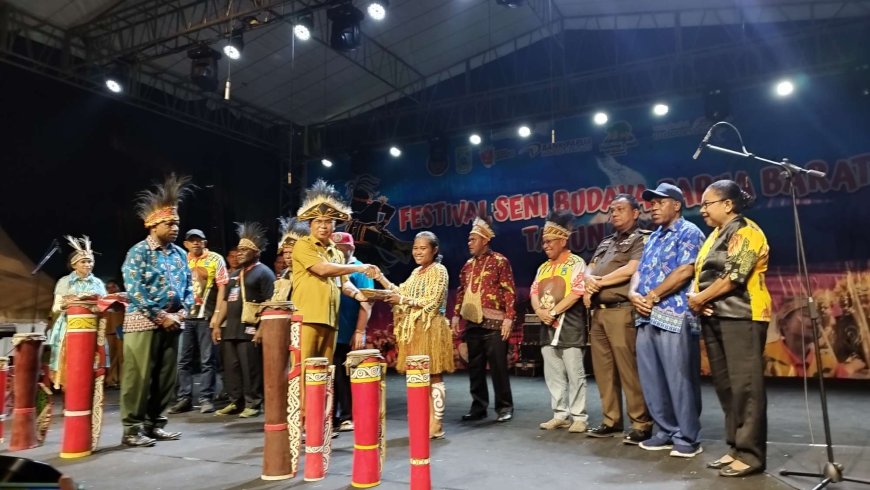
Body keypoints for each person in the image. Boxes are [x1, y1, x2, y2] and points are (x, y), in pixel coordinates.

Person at [688, 180, 770, 477]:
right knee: (726, 387)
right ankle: (736, 446)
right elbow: (702, 274)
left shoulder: (747, 231)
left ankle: (752, 454)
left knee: (746, 387)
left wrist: (700, 299)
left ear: (727, 205)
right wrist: (698, 300)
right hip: (715, 316)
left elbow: (735, 276)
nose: (702, 210)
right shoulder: (714, 236)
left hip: (743, 315)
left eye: (707, 204)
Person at [629, 182, 705, 458]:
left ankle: (687, 435)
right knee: (652, 377)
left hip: (673, 312)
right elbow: (639, 270)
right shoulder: (654, 237)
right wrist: (632, 293)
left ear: (676, 204)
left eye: (660, 202)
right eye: (652, 203)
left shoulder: (689, 232)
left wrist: (652, 296)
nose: (654, 207)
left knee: (679, 377)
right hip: (646, 315)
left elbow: (685, 271)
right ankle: (664, 430)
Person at [120, 174, 194, 447]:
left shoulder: (180, 254)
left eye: (177, 222)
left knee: (166, 378)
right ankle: (132, 429)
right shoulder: (138, 252)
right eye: (170, 223)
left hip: (175, 322)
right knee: (138, 378)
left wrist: (181, 313)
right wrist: (161, 315)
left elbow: (190, 288)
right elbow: (135, 289)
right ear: (152, 225)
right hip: (145, 322)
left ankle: (155, 424)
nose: (175, 227)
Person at [584, 194, 653, 444]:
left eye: (620, 209)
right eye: (612, 210)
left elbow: (631, 269)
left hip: (622, 310)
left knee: (629, 370)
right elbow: (590, 266)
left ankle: (641, 423)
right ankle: (610, 420)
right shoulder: (606, 241)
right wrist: (588, 277)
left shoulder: (641, 238)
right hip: (598, 311)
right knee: (603, 370)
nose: (614, 214)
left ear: (635, 212)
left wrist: (597, 281)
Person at [291, 179, 379, 363]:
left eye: (328, 222)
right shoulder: (302, 245)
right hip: (307, 319)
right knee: (304, 371)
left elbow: (344, 283)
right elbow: (322, 269)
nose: (323, 226)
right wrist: (359, 267)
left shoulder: (336, 252)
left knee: (325, 374)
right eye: (318, 221)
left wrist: (359, 296)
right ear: (310, 224)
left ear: (334, 225)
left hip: (331, 321)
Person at [376, 231, 454, 438]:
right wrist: (380, 277)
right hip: (414, 330)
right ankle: (421, 420)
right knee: (417, 375)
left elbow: (433, 301)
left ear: (434, 250)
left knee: (433, 373)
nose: (418, 252)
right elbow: (400, 291)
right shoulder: (416, 272)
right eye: (415, 248)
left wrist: (402, 301)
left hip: (431, 328)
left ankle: (435, 425)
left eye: (423, 248)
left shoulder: (439, 270)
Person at [452, 215, 516, 423]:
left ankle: (504, 406)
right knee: (475, 367)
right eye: (469, 239)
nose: (469, 243)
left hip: (495, 324)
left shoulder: (500, 261)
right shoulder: (467, 265)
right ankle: (478, 406)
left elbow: (509, 291)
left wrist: (508, 319)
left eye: (473, 239)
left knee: (498, 367)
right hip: (473, 323)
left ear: (485, 240)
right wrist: (455, 315)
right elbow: (461, 292)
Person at [530, 210, 589, 433]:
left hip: (569, 326)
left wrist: (553, 311)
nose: (545, 245)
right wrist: (539, 311)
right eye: (543, 242)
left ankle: (579, 417)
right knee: (553, 373)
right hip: (546, 326)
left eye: (549, 241)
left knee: (575, 374)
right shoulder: (543, 267)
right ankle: (560, 414)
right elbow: (534, 291)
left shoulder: (576, 263)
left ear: (563, 240)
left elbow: (576, 292)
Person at [211, 223, 274, 417]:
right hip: (231, 329)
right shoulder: (235, 275)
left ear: (256, 253)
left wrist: (262, 329)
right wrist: (217, 325)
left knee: (251, 368)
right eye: (238, 249)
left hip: (250, 328)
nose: (239, 253)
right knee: (232, 368)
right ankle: (235, 401)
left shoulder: (264, 273)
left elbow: (270, 303)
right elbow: (225, 302)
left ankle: (253, 403)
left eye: (244, 250)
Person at [169, 229, 228, 414]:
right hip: (185, 317)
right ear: (186, 244)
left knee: (207, 359)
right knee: (183, 360)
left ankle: (206, 398)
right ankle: (184, 397)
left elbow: (222, 289)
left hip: (205, 316)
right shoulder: (181, 259)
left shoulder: (215, 259)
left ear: (205, 242)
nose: (195, 243)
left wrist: (217, 315)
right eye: (191, 241)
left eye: (199, 240)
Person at [47, 236, 107, 387]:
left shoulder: (98, 283)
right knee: (71, 364)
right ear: (74, 265)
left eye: (90, 261)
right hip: (69, 327)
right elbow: (55, 307)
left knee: (90, 363)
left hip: (92, 327)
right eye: (84, 262)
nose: (88, 264)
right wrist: (68, 304)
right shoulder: (64, 282)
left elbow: (104, 304)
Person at [331, 232, 374, 431]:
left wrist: (359, 331)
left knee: (345, 375)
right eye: (336, 248)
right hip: (331, 330)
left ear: (352, 249)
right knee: (333, 374)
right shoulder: (330, 268)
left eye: (343, 248)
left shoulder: (360, 270)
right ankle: (333, 417)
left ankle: (348, 416)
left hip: (348, 332)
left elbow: (367, 302)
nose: (339, 252)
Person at [270, 217, 309, 302]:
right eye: (285, 253)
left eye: (291, 252)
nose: (287, 256)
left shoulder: (308, 271)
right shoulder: (284, 273)